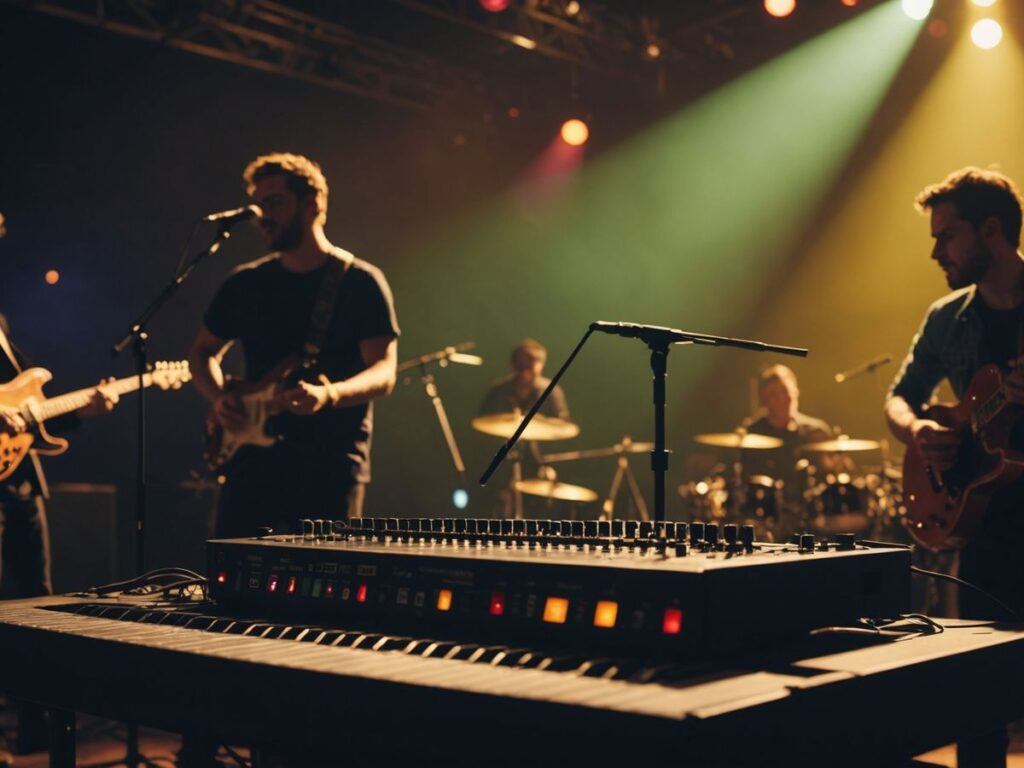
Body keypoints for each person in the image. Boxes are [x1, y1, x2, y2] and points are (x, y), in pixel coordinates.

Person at [884, 166, 1024, 768]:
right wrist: (919, 431)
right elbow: (898, 395)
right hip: (984, 522)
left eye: (947, 236)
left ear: (991, 230)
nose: (936, 251)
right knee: (982, 703)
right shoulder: (946, 317)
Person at [190, 153, 399, 538]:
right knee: (234, 579)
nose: (262, 216)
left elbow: (384, 372)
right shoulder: (245, 283)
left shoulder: (360, 283)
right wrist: (220, 397)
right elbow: (202, 352)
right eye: (258, 206)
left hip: (329, 464)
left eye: (274, 203)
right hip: (249, 461)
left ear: (312, 204)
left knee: (323, 585)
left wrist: (329, 394)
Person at [0, 212, 119, 764]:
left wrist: (84, 410)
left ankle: (35, 727)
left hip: (19, 485)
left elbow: (29, 410)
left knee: (35, 602)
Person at [479, 339, 570, 518]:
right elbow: (481, 428)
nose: (525, 373)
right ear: (513, 365)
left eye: (530, 366)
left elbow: (563, 429)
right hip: (501, 468)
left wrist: (548, 465)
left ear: (540, 366)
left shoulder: (551, 392)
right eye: (520, 366)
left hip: (541, 466)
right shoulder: (498, 392)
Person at [739, 364, 832, 497]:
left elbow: (829, 475)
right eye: (774, 395)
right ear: (764, 400)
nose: (782, 399)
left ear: (796, 392)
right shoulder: (753, 432)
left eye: (785, 391)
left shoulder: (816, 431)